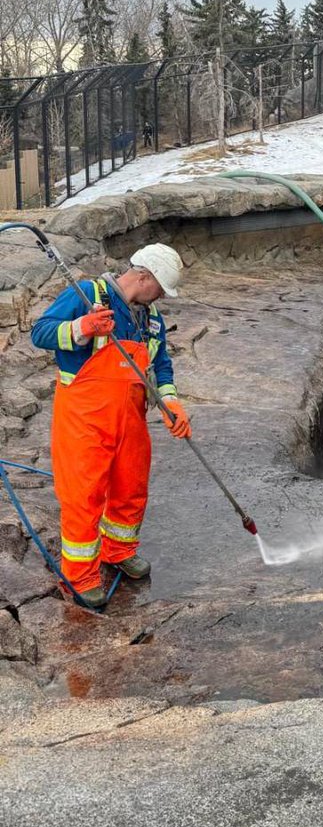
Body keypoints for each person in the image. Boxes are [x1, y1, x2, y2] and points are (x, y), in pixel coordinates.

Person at [31, 244, 191, 606]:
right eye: (161, 288)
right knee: (83, 495)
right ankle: (80, 575)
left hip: (130, 418)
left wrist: (170, 401)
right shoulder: (89, 295)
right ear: (143, 276)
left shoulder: (150, 319)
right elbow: (40, 332)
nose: (162, 296)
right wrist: (81, 327)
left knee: (131, 485)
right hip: (84, 418)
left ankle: (118, 550)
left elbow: (160, 364)